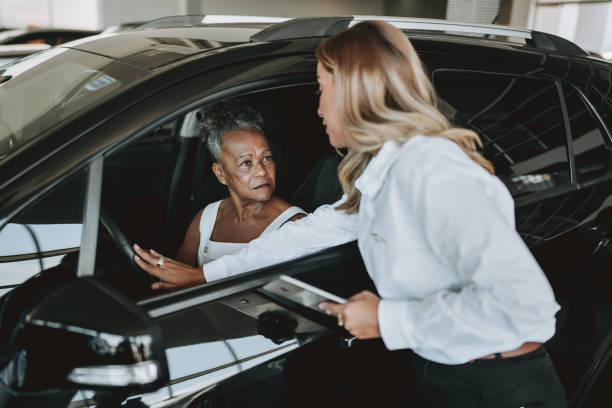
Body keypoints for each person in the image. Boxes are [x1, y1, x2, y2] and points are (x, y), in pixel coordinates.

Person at [134, 21, 566, 407]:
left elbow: (523, 308)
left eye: (322, 90)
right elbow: (306, 235)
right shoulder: (381, 174)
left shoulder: (434, 173)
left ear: (357, 92)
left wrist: (385, 319)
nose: (318, 108)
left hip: (498, 386)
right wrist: (206, 275)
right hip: (444, 369)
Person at [134, 99, 305, 278]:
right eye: (246, 162)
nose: (262, 171)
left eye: (267, 158)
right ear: (220, 173)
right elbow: (175, 282)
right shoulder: (207, 219)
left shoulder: (295, 226)